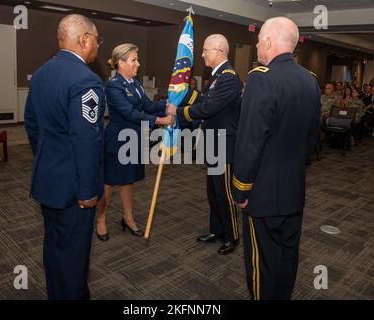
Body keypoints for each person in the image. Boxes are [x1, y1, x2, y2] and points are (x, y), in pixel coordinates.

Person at [231, 17, 320, 300]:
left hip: (263, 195)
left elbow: (249, 142)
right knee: (286, 258)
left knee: (263, 266)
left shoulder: (260, 78)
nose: (258, 46)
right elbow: (311, 141)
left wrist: (240, 188)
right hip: (294, 189)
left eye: (259, 41)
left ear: (268, 41)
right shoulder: (310, 80)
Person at [24, 14, 105, 300]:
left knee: (54, 248)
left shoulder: (41, 73)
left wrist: (48, 160)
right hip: (74, 189)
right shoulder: (86, 80)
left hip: (48, 180)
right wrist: (86, 190)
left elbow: (32, 125)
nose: (97, 45)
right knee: (74, 257)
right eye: (96, 39)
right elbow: (86, 140)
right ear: (83, 40)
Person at [169, 34, 243, 255]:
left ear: (219, 51)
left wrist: (178, 111)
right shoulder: (218, 75)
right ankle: (217, 230)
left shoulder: (229, 77)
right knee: (213, 191)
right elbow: (206, 100)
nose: (201, 54)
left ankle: (232, 236)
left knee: (224, 194)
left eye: (205, 50)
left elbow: (208, 109)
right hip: (213, 143)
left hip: (224, 145)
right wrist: (185, 92)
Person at [95, 43, 173, 241]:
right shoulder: (113, 86)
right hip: (117, 141)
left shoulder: (136, 84)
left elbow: (148, 105)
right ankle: (101, 220)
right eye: (134, 60)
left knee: (128, 181)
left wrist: (167, 104)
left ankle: (128, 218)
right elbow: (130, 114)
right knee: (109, 183)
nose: (138, 64)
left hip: (134, 140)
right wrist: (160, 120)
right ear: (121, 63)